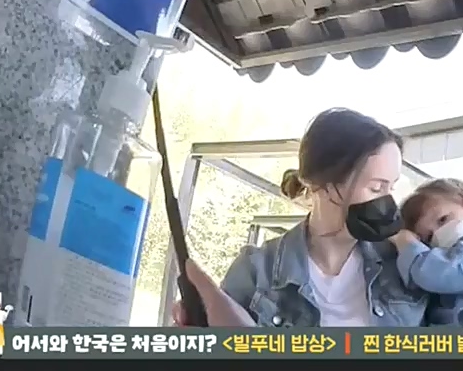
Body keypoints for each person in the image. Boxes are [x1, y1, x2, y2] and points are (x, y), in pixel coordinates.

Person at [173, 108, 436, 327]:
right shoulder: (257, 272)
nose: (388, 203)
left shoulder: (408, 264)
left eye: (391, 187)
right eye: (376, 188)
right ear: (323, 184)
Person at [391, 178, 463, 326]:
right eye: (429, 237)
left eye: (442, 220)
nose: (438, 233)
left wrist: (407, 243)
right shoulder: (435, 261)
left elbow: (441, 273)